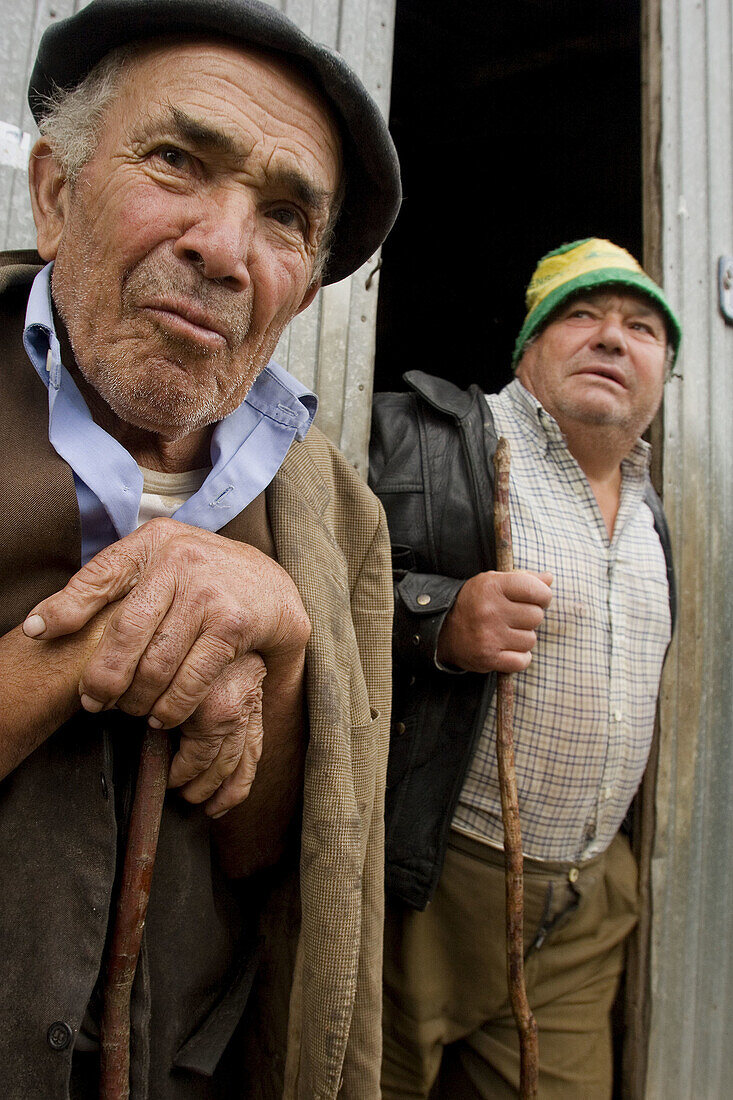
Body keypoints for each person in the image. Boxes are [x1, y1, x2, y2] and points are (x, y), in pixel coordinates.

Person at [0, 1, 400, 1097]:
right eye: (177, 160)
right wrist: (116, 628)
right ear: (55, 192)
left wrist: (275, 633)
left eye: (281, 216)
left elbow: (274, 857)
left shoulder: (339, 520)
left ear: (301, 291)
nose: (222, 250)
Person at [369, 238, 679, 1099]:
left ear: (664, 372)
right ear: (527, 348)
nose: (612, 339)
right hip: (427, 888)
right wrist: (435, 618)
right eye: (580, 315)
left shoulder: (655, 511)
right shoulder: (420, 437)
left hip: (584, 913)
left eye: (642, 328)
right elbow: (303, 584)